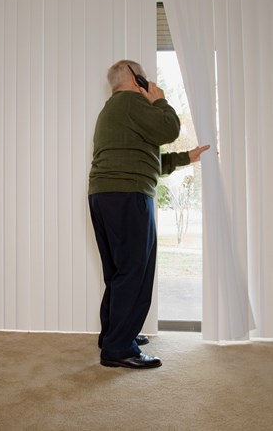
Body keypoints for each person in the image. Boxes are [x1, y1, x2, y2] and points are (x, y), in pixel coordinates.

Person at [88, 59, 210, 369]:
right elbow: (168, 128)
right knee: (134, 271)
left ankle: (115, 334)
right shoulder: (131, 102)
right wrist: (161, 100)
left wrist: (187, 157)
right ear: (134, 78)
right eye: (145, 76)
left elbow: (147, 159)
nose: (149, 81)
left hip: (106, 195)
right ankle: (118, 348)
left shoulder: (114, 110)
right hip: (128, 196)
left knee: (119, 272)